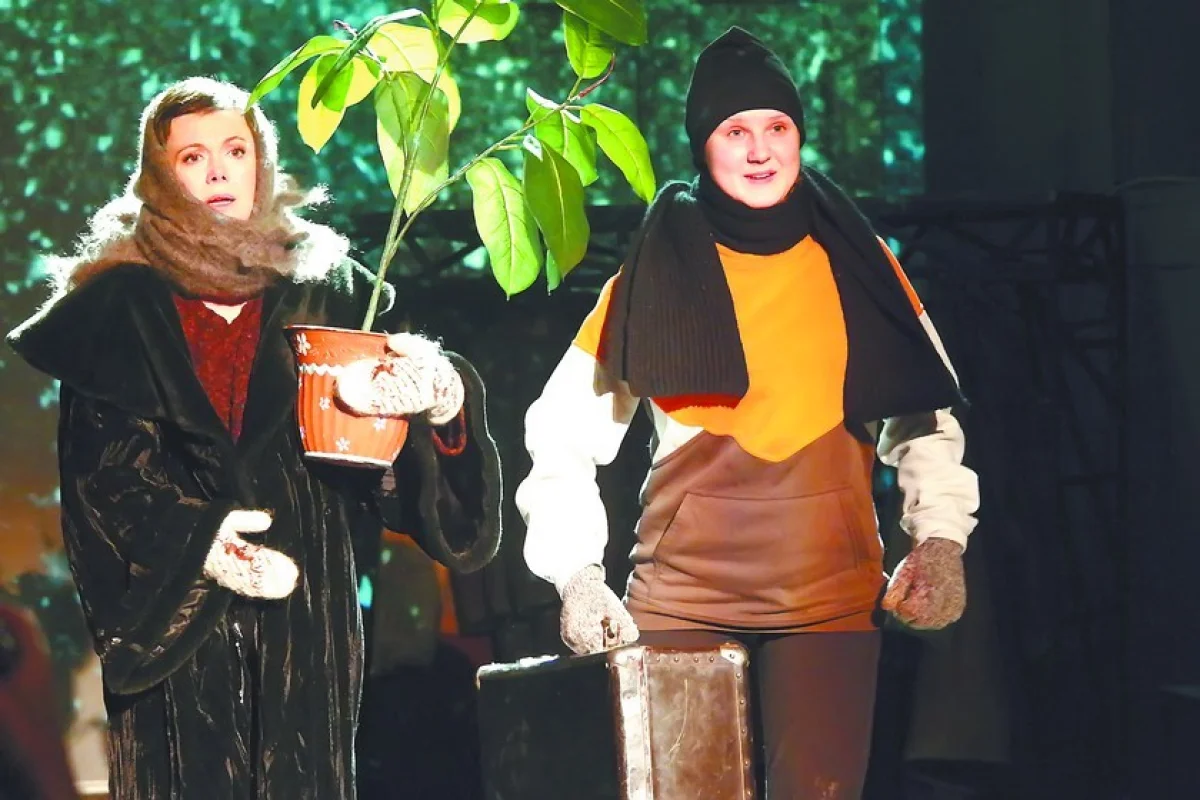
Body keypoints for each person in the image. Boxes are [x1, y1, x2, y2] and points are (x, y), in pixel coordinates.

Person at [6, 77, 502, 800]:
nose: (218, 172)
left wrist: (439, 403)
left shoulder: (328, 293)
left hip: (308, 630)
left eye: (235, 151)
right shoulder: (115, 311)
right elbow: (101, 484)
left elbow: (394, 484)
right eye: (193, 157)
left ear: (261, 161)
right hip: (182, 646)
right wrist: (202, 543)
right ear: (160, 175)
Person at [515, 28, 978, 799]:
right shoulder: (651, 273)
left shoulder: (863, 263)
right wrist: (577, 575)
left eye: (777, 127)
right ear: (705, 146)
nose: (760, 150)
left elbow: (924, 418)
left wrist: (939, 539)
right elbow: (562, 435)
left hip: (830, 599)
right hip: (682, 599)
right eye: (736, 131)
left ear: (799, 137)